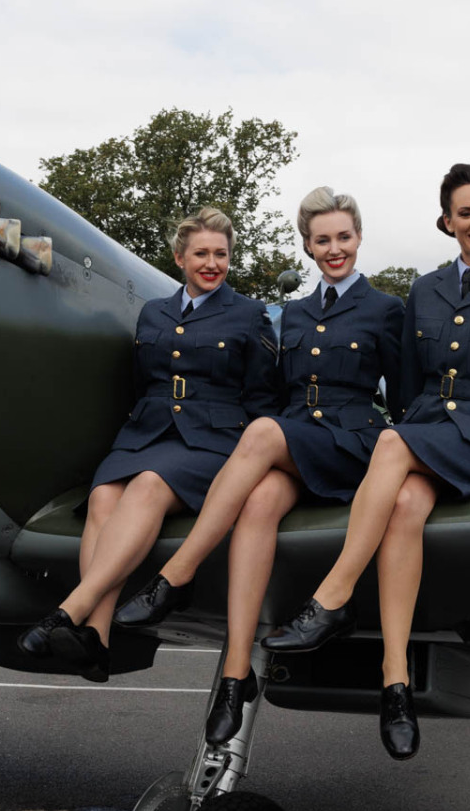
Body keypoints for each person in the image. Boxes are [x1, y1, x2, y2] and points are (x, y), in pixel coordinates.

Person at [262, 163, 470, 759]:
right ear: (447, 222)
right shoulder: (425, 290)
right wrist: (405, 447)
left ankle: (332, 598)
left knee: (393, 444)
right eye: (465, 213)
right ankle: (396, 684)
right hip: (430, 434)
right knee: (405, 504)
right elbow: (408, 387)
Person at [113, 186, 404, 744]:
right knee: (259, 502)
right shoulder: (293, 314)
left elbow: (407, 399)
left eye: (344, 237)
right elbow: (273, 390)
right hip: (298, 441)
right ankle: (234, 675)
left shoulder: (386, 309)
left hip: (352, 444)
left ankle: (177, 574)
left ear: (359, 239)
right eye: (323, 240)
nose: (335, 249)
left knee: (264, 431)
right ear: (308, 247)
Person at [18, 207, 280, 680]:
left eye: (221, 254)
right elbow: (144, 382)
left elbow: (262, 397)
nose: (212, 263)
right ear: (180, 257)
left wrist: (255, 465)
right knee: (103, 496)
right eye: (201, 253)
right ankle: (97, 638)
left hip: (212, 440)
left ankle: (69, 611)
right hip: (147, 431)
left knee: (148, 487)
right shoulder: (153, 311)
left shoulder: (249, 314)